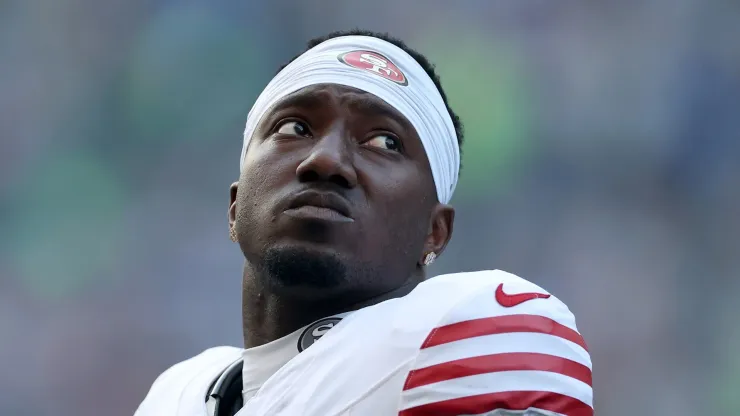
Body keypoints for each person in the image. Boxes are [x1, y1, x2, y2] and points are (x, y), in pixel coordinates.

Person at [135, 29, 593, 416]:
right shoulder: (174, 396)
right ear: (235, 205)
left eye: (384, 141)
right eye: (295, 128)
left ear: (434, 233)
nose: (327, 160)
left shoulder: (474, 330)